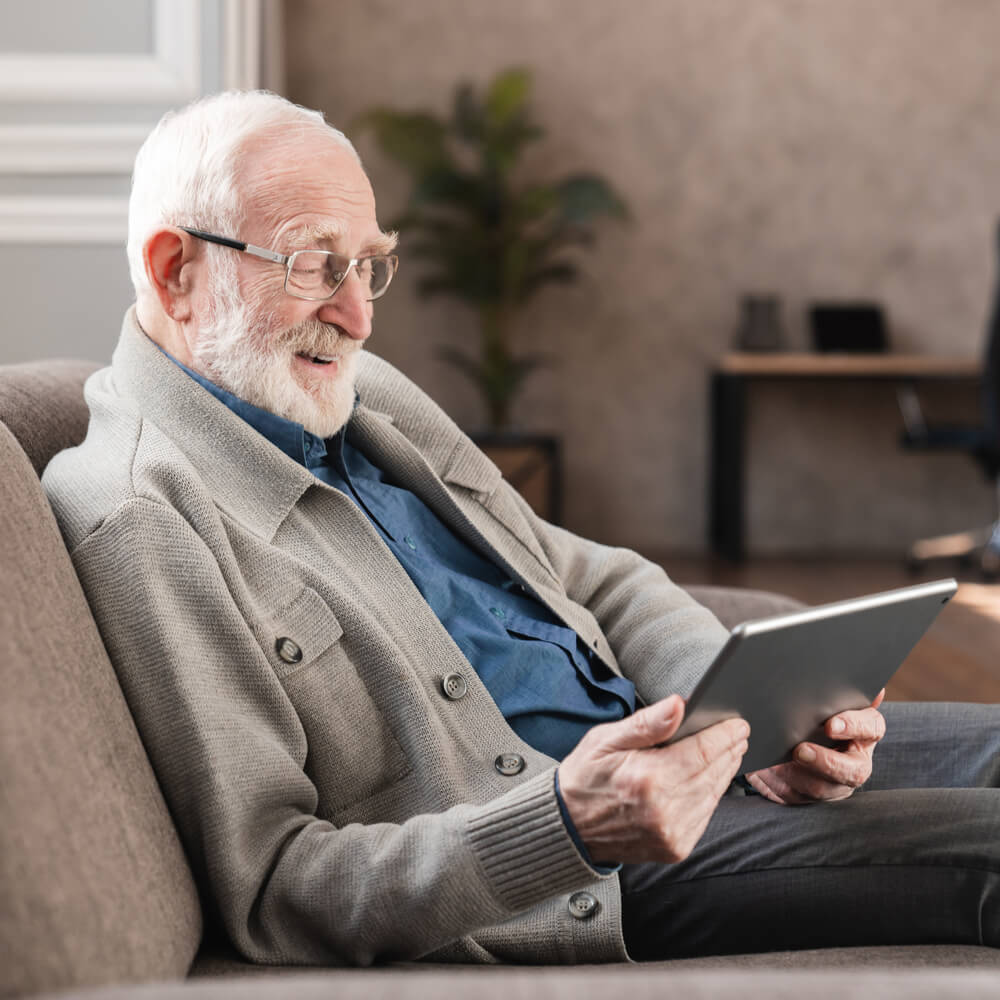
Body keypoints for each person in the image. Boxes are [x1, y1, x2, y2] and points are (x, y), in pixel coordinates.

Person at [43, 90, 999, 967]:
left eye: (371, 264)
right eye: (313, 265)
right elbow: (278, 886)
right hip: (592, 869)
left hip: (661, 752)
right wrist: (567, 825)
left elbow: (599, 577)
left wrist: (746, 716)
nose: (359, 316)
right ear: (178, 271)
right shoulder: (142, 517)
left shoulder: (359, 395)